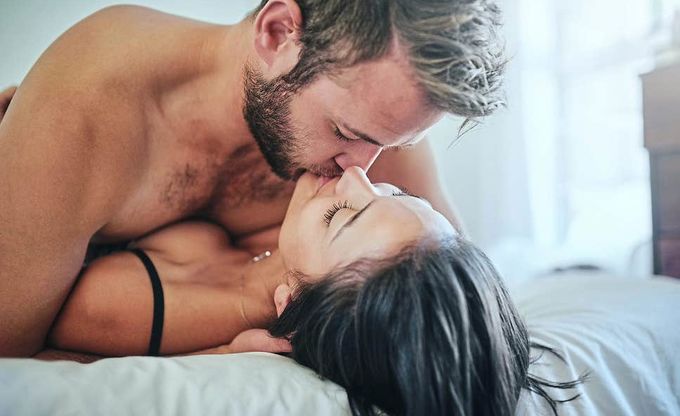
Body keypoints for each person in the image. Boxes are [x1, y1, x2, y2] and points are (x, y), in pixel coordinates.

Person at [0, 0, 505, 357]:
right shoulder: (83, 114)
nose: (363, 169)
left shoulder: (378, 124)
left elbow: (456, 323)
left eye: (394, 144)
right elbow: (15, 367)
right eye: (345, 132)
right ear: (278, 33)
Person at [43, 167, 583, 415]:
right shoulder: (333, 207)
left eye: (340, 216)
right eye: (396, 193)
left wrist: (217, 356)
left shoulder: (132, 308)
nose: (356, 173)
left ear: (289, 306)